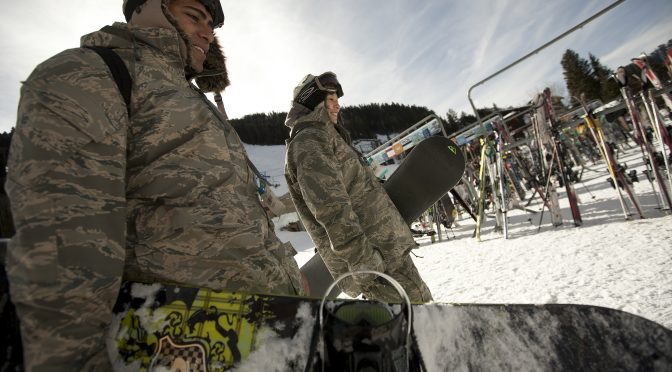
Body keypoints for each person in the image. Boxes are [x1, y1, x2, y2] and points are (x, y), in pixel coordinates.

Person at [4, 1, 303, 369]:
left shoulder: (191, 100)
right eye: (194, 16)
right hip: (181, 343)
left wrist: (286, 275)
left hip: (268, 329)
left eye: (212, 24)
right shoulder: (88, 74)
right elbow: (65, 247)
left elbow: (232, 210)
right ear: (147, 7)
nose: (208, 32)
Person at [284, 72, 433, 303]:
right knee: (414, 319)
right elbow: (331, 209)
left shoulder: (326, 138)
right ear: (315, 103)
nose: (338, 107)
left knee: (413, 317)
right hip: (375, 260)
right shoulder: (309, 142)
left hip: (383, 251)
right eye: (331, 100)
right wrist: (365, 262)